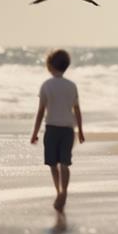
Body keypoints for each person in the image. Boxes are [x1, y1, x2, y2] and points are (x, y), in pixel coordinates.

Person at [30, 49, 84, 213]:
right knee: (65, 163)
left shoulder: (46, 85)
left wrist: (35, 132)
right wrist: (80, 130)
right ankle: (64, 192)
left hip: (52, 129)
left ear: (50, 66)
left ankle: (58, 192)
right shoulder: (71, 86)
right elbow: (77, 110)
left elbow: (41, 111)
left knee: (53, 164)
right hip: (68, 129)